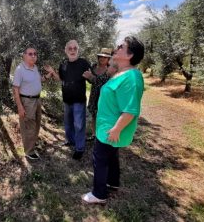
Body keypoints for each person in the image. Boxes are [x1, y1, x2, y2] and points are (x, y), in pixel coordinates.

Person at [82, 36, 145, 204]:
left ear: (130, 55)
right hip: (107, 126)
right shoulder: (122, 73)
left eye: (121, 46)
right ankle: (113, 183)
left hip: (110, 129)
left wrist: (117, 129)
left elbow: (131, 110)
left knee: (100, 159)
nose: (116, 47)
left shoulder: (132, 77)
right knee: (111, 156)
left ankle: (99, 194)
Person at [45, 40, 91, 160]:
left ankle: (79, 148)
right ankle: (71, 141)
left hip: (79, 100)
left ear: (78, 50)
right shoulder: (63, 64)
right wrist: (52, 72)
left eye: (75, 48)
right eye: (70, 48)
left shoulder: (83, 63)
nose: (72, 50)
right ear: (66, 50)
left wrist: (90, 77)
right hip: (67, 99)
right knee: (68, 123)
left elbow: (91, 77)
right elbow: (61, 79)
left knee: (79, 124)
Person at [12, 47, 46, 160]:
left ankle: (32, 147)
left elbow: (37, 80)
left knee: (36, 124)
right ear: (24, 56)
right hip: (27, 101)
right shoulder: (20, 69)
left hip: (37, 100)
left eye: (35, 54)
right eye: (30, 54)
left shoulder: (34, 67)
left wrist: (47, 76)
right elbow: (15, 88)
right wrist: (20, 107)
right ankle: (28, 151)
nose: (33, 56)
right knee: (28, 126)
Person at [82, 48, 113, 141]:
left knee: (103, 115)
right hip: (94, 95)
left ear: (108, 59)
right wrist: (87, 77)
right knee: (94, 115)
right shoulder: (93, 66)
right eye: (101, 57)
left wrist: (91, 77)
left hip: (104, 97)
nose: (102, 59)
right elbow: (91, 81)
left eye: (105, 57)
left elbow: (104, 83)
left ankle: (103, 135)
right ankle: (94, 135)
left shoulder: (110, 69)